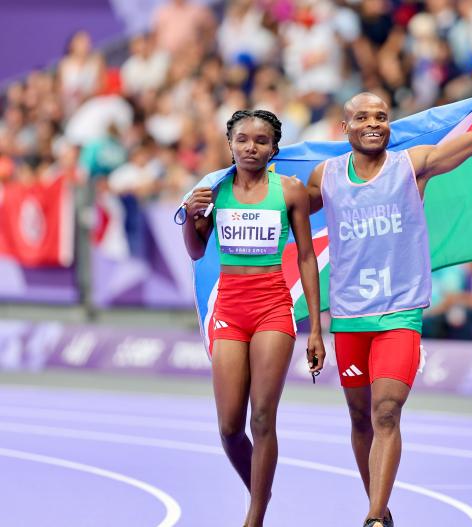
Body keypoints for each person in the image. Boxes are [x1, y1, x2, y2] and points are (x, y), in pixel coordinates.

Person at [306, 37, 472, 527]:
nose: (373, 124)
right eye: (363, 117)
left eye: (381, 116)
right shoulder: (324, 177)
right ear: (344, 127)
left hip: (399, 313)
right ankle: (383, 510)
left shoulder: (413, 166)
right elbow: (278, 210)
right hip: (348, 317)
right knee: (361, 419)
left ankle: (370, 519)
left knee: (387, 412)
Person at [181, 110, 325, 527]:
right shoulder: (213, 191)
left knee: (262, 417)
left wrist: (315, 328)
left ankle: (255, 517)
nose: (251, 147)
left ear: (274, 148)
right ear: (230, 143)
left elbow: (306, 256)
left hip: (273, 308)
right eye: (243, 139)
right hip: (230, 309)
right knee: (229, 427)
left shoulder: (291, 191)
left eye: (261, 141)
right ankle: (261, 487)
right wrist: (192, 218)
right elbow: (194, 250)